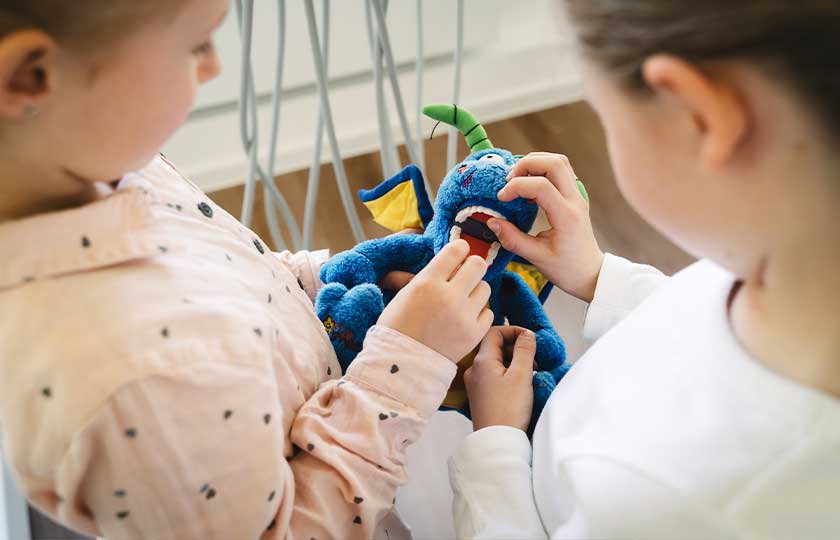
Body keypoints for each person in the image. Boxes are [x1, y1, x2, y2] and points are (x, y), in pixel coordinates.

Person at [0, 1, 494, 538]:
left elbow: (229, 276)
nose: (213, 67)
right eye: (196, 44)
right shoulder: (142, 381)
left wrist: (343, 276)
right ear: (32, 75)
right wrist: (406, 362)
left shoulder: (108, 169)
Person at [452, 1, 840, 537]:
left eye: (601, 113)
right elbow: (692, 326)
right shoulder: (793, 261)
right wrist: (597, 277)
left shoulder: (673, 506)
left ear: (697, 117)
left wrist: (494, 442)